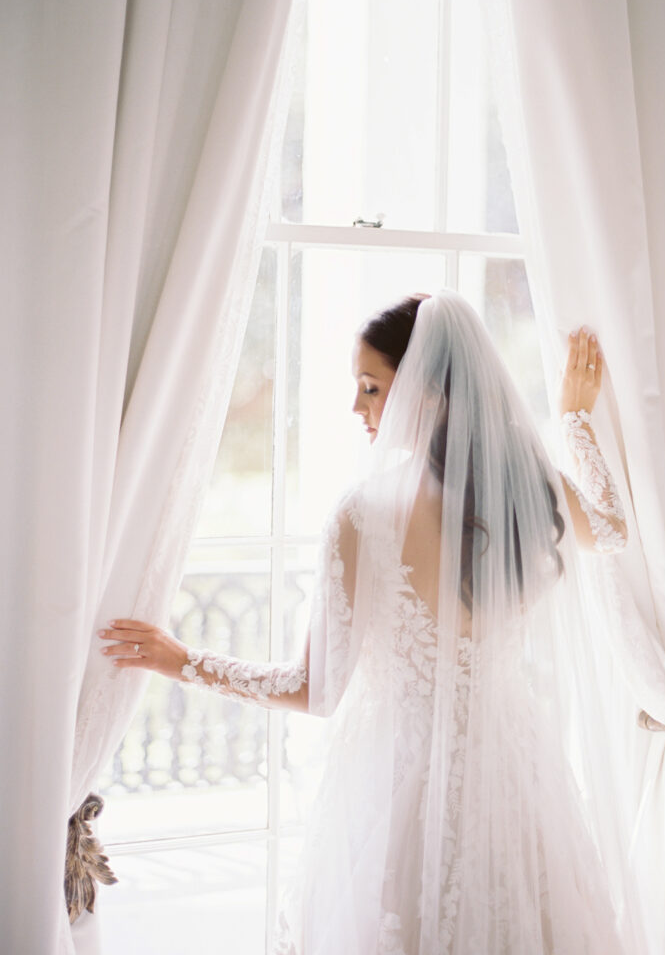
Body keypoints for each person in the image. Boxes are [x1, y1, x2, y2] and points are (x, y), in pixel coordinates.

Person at [99, 290, 632, 954]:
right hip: (515, 775)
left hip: (398, 789)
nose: (357, 408)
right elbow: (610, 528)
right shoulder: (525, 486)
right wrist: (576, 421)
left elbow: (314, 690)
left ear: (428, 393)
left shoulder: (362, 516)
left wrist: (181, 660)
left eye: (371, 388)